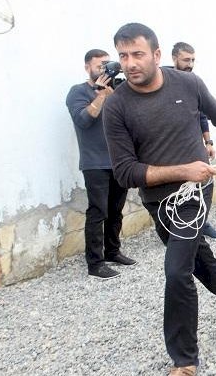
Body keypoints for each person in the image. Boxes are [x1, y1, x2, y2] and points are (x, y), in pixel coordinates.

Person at [103, 23, 216, 375]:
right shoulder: (116, 106)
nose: (130, 63)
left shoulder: (188, 84)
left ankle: (184, 359)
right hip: (159, 199)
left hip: (195, 193)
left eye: (138, 54)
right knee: (196, 259)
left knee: (177, 269)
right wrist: (184, 170)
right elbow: (125, 172)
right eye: (123, 56)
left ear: (157, 55)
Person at [65, 49, 137, 280]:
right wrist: (101, 96)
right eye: (100, 66)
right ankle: (95, 264)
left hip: (119, 161)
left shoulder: (118, 91)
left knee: (116, 210)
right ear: (87, 67)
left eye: (108, 65)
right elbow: (83, 121)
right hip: (94, 162)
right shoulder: (78, 92)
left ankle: (113, 252)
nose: (105, 69)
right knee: (98, 212)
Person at [169, 42, 216, 240]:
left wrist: (208, 143)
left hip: (194, 146)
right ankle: (176, 225)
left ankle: (201, 222)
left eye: (192, 60)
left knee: (203, 183)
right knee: (178, 189)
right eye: (186, 60)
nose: (190, 64)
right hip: (172, 149)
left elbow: (202, 115)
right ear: (174, 58)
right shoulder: (165, 83)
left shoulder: (192, 83)